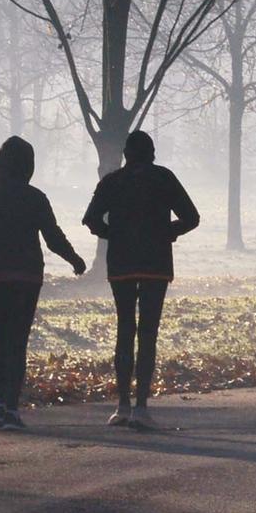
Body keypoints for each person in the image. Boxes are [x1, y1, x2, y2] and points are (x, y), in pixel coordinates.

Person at [0, 136, 87, 429]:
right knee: (18, 341)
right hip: (26, 275)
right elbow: (52, 237)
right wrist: (74, 259)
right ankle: (13, 409)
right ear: (29, 166)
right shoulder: (35, 197)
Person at [81, 130, 201, 429]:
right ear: (152, 153)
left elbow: (91, 219)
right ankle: (141, 407)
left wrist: (113, 235)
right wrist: (168, 232)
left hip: (121, 263)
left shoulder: (111, 181)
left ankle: (121, 404)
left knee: (125, 328)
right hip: (156, 263)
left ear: (126, 153)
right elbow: (192, 217)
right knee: (148, 332)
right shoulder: (164, 178)